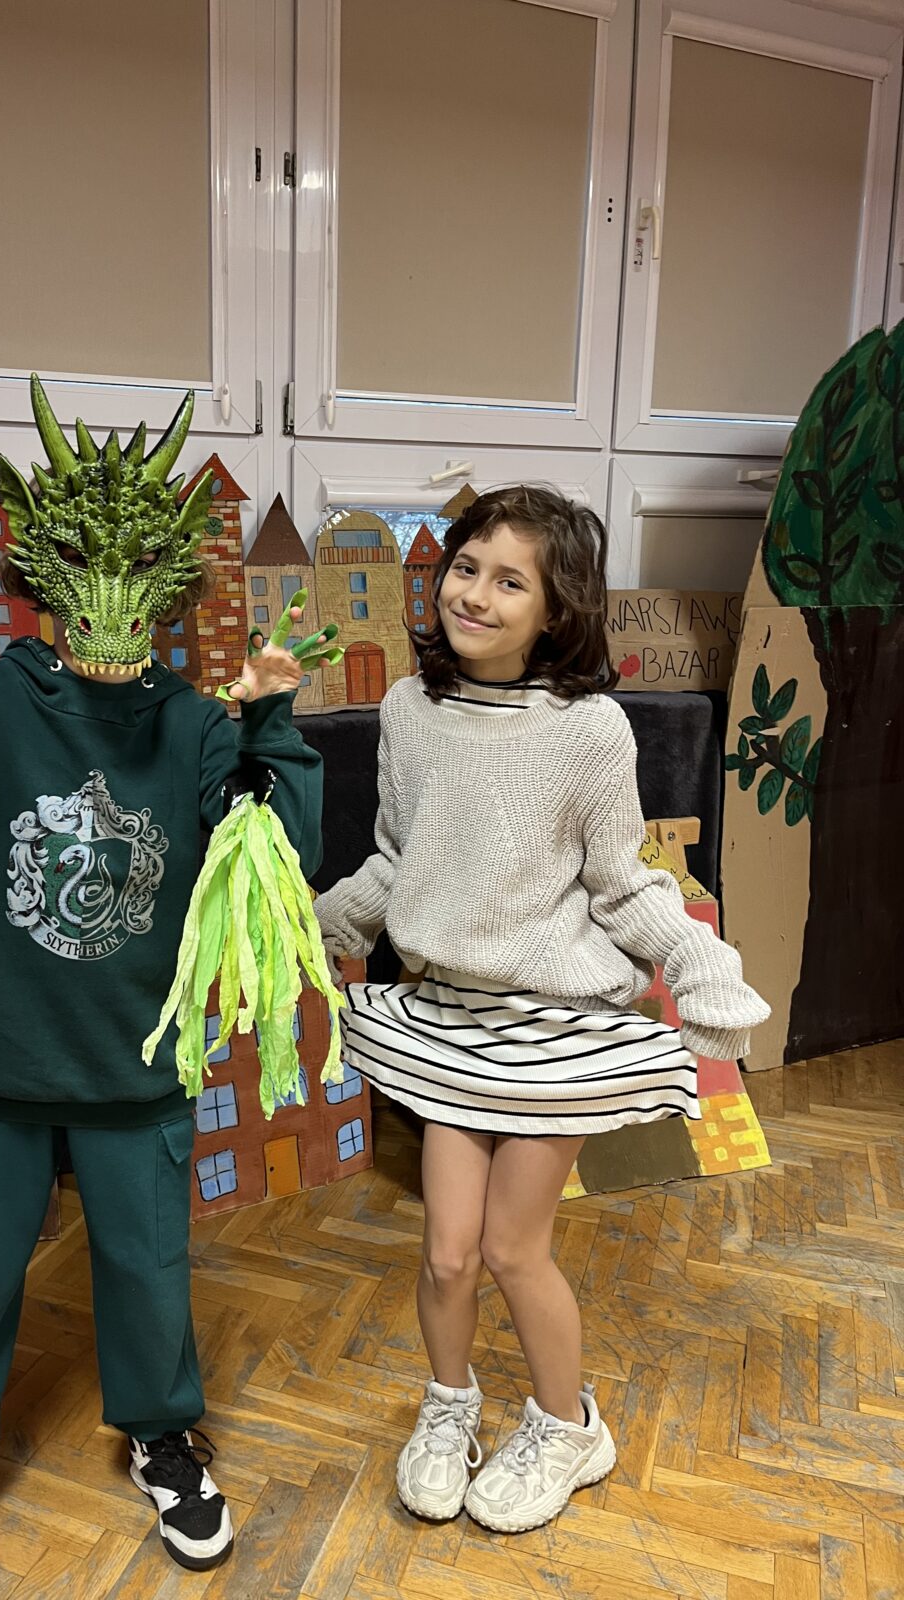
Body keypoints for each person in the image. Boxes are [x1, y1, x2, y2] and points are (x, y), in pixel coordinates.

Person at [0, 382, 336, 1597]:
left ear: (167, 585)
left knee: (147, 1271)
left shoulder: (197, 726)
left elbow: (286, 853)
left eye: (134, 570)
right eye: (86, 566)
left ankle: (162, 1435)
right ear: (43, 573)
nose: (110, 593)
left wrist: (272, 723)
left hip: (133, 1066)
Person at [314, 485, 768, 1535]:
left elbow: (624, 881)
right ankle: (449, 1406)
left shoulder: (590, 730)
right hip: (448, 1019)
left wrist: (699, 963)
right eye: (466, 568)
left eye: (509, 580)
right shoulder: (409, 710)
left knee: (514, 1251)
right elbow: (398, 858)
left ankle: (570, 1427)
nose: (474, 594)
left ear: (556, 608)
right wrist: (316, 925)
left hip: (554, 1030)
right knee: (446, 1252)